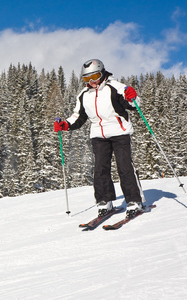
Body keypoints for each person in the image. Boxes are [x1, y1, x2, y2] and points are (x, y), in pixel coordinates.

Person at [54, 59, 144, 218]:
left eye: (94, 76)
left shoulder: (115, 87)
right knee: (100, 169)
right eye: (86, 79)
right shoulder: (84, 95)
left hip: (119, 132)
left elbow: (133, 104)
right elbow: (78, 116)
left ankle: (134, 201)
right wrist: (65, 125)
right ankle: (105, 201)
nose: (91, 82)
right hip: (98, 136)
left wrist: (132, 97)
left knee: (124, 167)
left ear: (102, 73)